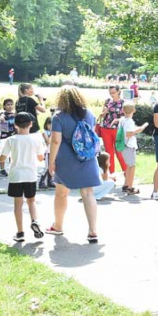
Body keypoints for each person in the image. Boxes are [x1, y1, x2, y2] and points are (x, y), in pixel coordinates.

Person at [45, 86, 101, 243]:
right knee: (88, 194)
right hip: (87, 158)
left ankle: (58, 226)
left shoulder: (59, 117)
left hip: (66, 160)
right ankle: (93, 231)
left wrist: (51, 161)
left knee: (61, 193)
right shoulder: (89, 114)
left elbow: (55, 141)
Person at [0, 112, 45, 242]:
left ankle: (20, 233)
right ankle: (34, 220)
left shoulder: (11, 140)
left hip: (16, 176)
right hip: (30, 175)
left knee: (18, 204)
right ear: (31, 124)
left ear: (15, 125)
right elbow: (41, 158)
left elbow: (2, 158)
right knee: (31, 201)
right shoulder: (36, 140)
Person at [117, 102, 147, 195]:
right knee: (132, 166)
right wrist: (141, 128)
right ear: (134, 110)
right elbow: (129, 133)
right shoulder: (129, 121)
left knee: (128, 165)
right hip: (129, 146)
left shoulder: (123, 120)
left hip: (124, 145)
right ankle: (130, 187)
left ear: (123, 110)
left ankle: (126, 184)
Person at [97, 85, 126, 174]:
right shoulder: (107, 101)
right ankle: (111, 174)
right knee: (108, 153)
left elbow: (126, 117)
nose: (112, 94)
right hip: (105, 129)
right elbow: (102, 115)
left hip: (118, 130)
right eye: (110, 93)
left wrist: (119, 120)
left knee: (119, 153)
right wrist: (103, 113)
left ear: (118, 91)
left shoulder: (123, 102)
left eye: (113, 92)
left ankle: (127, 174)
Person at [0, 98, 17, 176]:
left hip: (13, 136)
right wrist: (2, 119)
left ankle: (12, 168)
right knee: (3, 153)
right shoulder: (3, 114)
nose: (10, 106)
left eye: (11, 104)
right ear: (4, 106)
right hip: (4, 137)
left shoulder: (15, 114)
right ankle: (2, 169)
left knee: (13, 154)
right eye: (8, 105)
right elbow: (1, 117)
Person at [38, 117, 55, 189]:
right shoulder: (44, 132)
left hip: (52, 151)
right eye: (49, 125)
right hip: (47, 152)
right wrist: (52, 134)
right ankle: (41, 182)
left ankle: (49, 181)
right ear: (46, 124)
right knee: (46, 167)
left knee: (51, 166)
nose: (51, 126)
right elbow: (48, 142)